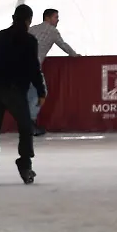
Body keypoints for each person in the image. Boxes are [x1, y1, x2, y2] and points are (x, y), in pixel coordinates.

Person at [0, 4, 44, 185]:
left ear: (13, 18)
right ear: (28, 20)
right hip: (14, 91)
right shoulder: (29, 41)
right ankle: (25, 165)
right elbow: (33, 68)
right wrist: (41, 90)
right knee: (25, 127)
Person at [28, 8, 80, 136]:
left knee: (29, 95)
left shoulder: (32, 29)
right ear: (48, 18)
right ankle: (30, 122)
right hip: (34, 67)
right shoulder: (52, 31)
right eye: (56, 17)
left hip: (19, 66)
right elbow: (63, 46)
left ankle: (26, 122)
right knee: (42, 92)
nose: (58, 20)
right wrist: (75, 55)